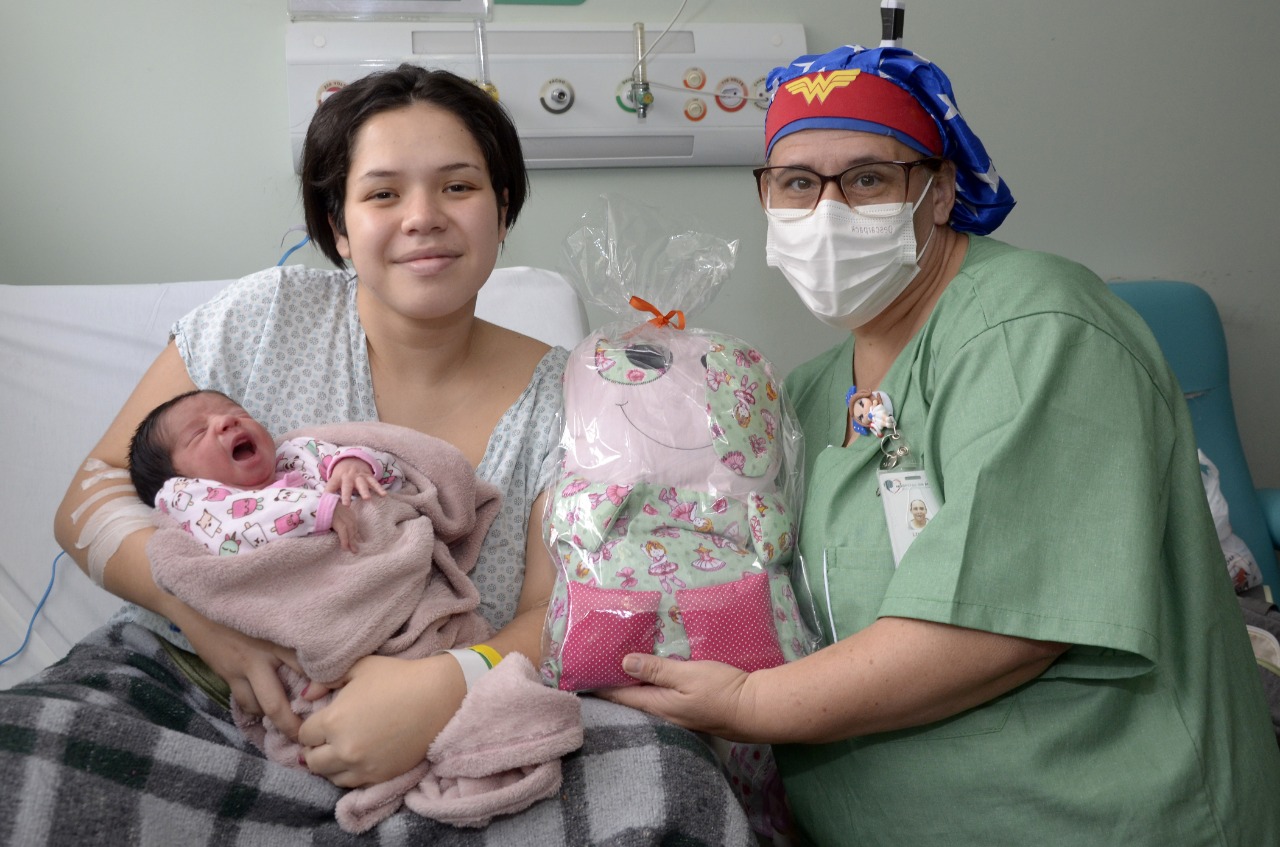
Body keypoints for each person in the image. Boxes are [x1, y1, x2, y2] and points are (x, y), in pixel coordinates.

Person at [0, 64, 753, 845]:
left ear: (502, 209)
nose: (423, 217)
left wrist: (440, 686)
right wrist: (209, 625)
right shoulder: (264, 318)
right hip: (202, 692)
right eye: (383, 193)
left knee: (675, 783)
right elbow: (92, 492)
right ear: (337, 226)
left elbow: (552, 613)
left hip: (453, 723)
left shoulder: (574, 400)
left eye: (458, 187)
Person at [605, 43, 1280, 845]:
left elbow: (1002, 625)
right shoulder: (809, 393)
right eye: (796, 183)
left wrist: (751, 706)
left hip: (1093, 816)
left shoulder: (1039, 327)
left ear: (940, 191)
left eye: (868, 179)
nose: (826, 213)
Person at [129, 388, 402, 554]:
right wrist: (316, 510)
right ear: (178, 480)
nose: (227, 420)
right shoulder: (191, 501)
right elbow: (232, 533)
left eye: (237, 413)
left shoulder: (295, 455)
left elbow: (391, 473)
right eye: (198, 432)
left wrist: (352, 465)